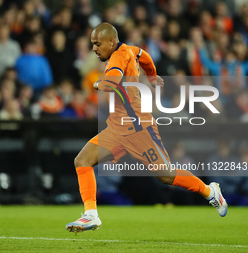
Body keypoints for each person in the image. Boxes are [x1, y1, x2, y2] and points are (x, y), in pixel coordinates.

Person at [66, 22, 228, 233]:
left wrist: (100, 83)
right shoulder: (130, 50)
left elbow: (112, 81)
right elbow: (145, 56)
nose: (94, 49)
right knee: (83, 160)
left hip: (139, 129)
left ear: (111, 42)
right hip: (117, 128)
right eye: (92, 44)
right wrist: (151, 76)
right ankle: (91, 215)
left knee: (166, 175)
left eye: (97, 44)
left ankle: (210, 192)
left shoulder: (118, 57)